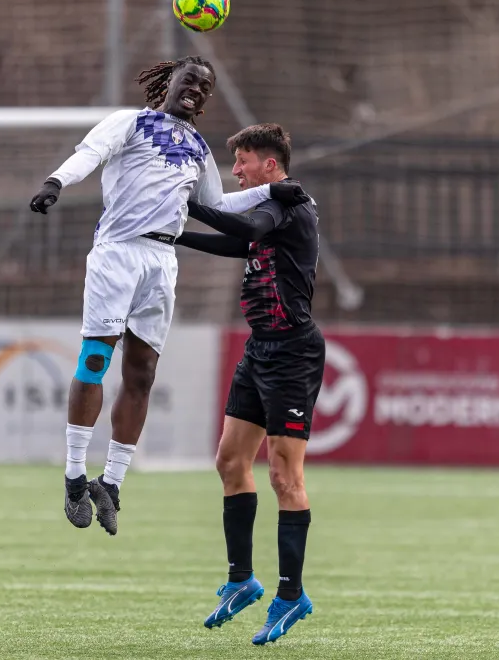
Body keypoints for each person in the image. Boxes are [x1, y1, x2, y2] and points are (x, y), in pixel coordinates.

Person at [29, 57, 310, 537]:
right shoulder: (132, 121)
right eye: (189, 81)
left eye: (205, 87)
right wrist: (56, 181)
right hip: (117, 253)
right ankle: (75, 475)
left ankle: (112, 483)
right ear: (169, 82)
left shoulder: (199, 147)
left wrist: (275, 191)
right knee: (96, 359)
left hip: (162, 262)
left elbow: (217, 205)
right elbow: (90, 153)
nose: (196, 90)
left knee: (141, 374)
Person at [174, 123, 323, 646]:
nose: (234, 172)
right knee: (230, 462)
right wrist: (171, 235)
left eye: (242, 161)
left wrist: (187, 204)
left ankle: (291, 594)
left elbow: (248, 229)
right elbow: (240, 245)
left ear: (270, 164)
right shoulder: (271, 211)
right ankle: (242, 580)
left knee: (285, 475)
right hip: (259, 349)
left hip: (293, 355)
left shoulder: (288, 204)